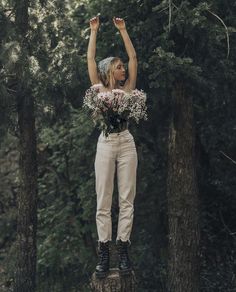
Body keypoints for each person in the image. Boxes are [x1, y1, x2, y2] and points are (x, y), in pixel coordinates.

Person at [87, 15, 138, 278]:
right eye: (118, 67)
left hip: (126, 142)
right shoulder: (99, 90)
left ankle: (124, 250)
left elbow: (134, 59)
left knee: (127, 199)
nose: (124, 70)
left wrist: (123, 30)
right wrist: (94, 31)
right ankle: (104, 253)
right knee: (103, 200)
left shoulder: (128, 89)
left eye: (123, 67)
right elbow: (90, 61)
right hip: (106, 143)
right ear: (109, 71)